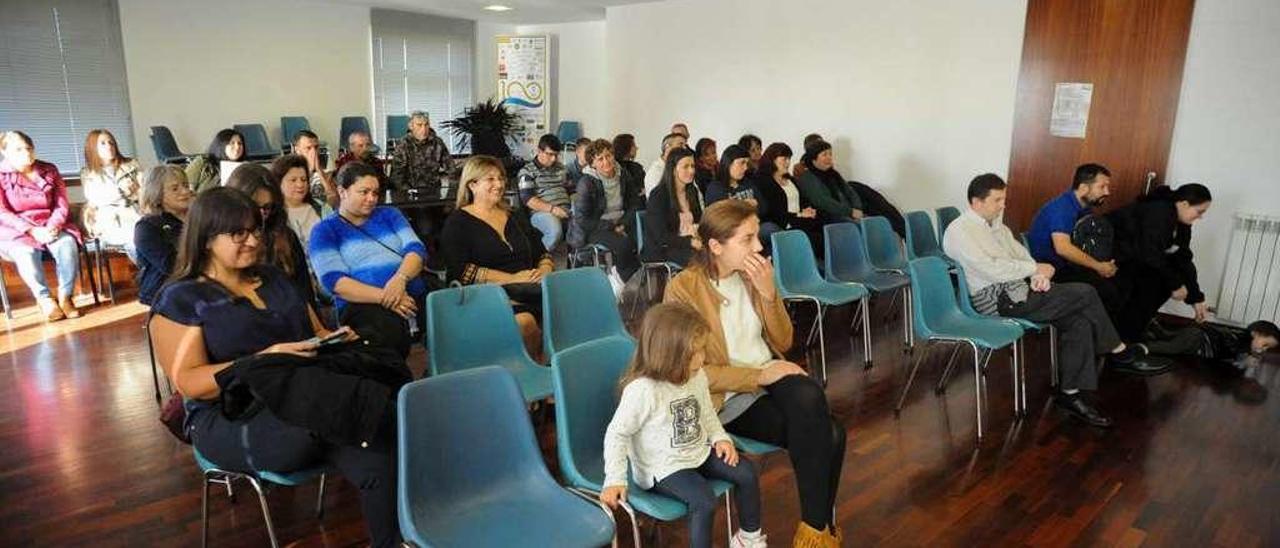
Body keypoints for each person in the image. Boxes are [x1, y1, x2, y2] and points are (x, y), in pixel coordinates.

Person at [148, 187, 402, 547]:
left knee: (378, 449)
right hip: (231, 414)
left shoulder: (274, 279)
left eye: (256, 230)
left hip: (306, 399)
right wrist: (263, 360)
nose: (253, 241)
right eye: (239, 234)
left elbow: (316, 332)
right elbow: (190, 383)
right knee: (366, 412)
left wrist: (334, 338)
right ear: (206, 238)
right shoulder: (180, 299)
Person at [664, 200, 846, 547]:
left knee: (812, 400)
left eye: (757, 237)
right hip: (729, 396)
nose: (759, 247)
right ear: (716, 247)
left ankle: (813, 530)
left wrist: (768, 293)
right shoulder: (683, 290)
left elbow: (784, 341)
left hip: (768, 374)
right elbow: (691, 372)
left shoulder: (752, 278)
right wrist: (758, 377)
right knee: (832, 434)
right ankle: (818, 534)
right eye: (747, 240)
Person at [943, 173, 1169, 428]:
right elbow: (992, 270)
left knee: (1079, 320)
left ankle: (1070, 394)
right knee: (1085, 292)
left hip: (1018, 290)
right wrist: (1034, 270)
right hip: (996, 301)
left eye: (1004, 199)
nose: (1003, 205)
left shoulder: (997, 226)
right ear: (976, 202)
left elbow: (1022, 257)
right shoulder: (960, 231)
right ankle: (1119, 351)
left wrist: (1038, 274)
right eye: (997, 200)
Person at [601, 302, 767, 548]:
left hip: (696, 452)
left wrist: (720, 438)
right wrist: (614, 478)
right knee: (704, 500)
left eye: (702, 349)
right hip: (663, 467)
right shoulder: (643, 391)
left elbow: (707, 413)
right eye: (695, 352)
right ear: (668, 354)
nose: (703, 357)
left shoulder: (696, 375)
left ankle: (748, 540)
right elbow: (617, 434)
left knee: (746, 471)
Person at [309, 162, 427, 359]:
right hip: (363, 303)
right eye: (364, 192)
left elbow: (416, 250)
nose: (372, 199)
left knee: (450, 314)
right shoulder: (324, 230)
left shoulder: (390, 214)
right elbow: (335, 282)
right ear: (342, 192)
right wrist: (387, 297)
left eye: (375, 192)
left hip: (409, 290)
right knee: (388, 331)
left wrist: (400, 279)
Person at [442, 156, 554, 359]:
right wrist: (512, 278)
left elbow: (541, 251)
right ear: (472, 185)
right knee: (526, 323)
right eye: (490, 179)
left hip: (530, 288)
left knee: (571, 313)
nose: (499, 184)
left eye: (501, 178)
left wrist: (544, 272)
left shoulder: (515, 215)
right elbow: (461, 271)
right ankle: (531, 373)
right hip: (485, 295)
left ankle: (549, 370)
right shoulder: (457, 222)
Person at [1106, 183, 1213, 340]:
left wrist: (1196, 298)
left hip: (1137, 256)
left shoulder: (1182, 222)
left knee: (1166, 279)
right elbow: (1150, 253)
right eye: (1199, 212)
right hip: (1113, 256)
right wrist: (1175, 285)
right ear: (1184, 204)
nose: (1200, 217)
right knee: (1154, 282)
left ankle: (1134, 330)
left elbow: (1183, 257)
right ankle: (1125, 339)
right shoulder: (1159, 212)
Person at [0, 131, 82, 320]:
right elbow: (2, 212)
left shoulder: (49, 169)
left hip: (51, 224)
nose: (26, 153)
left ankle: (65, 297)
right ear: (4, 152)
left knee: (66, 245)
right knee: (25, 253)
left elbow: (61, 203)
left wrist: (53, 226)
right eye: (18, 149)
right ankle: (44, 299)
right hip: (17, 229)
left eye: (29, 148)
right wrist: (32, 230)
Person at [224, 164, 315, 309]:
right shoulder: (223, 241)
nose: (260, 214)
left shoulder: (285, 237)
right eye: (253, 206)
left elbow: (304, 295)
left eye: (266, 208)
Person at [568, 139, 642, 280]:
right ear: (593, 164)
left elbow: (634, 203)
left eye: (608, 156)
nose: (606, 161)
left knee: (646, 240)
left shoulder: (623, 174)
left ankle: (628, 278)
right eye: (600, 159)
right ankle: (620, 281)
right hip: (596, 228)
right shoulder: (587, 183)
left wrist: (623, 224)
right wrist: (612, 227)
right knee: (624, 245)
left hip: (621, 222)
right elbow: (583, 220)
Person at [133, 165, 192, 305]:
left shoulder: (199, 216)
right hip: (165, 291)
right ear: (157, 194)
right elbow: (172, 266)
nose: (185, 191)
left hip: (198, 283)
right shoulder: (147, 227)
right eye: (175, 188)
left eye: (185, 185)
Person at [79, 129, 141, 250]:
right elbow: (96, 199)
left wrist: (133, 193)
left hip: (134, 213)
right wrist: (123, 192)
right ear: (93, 148)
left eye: (111, 142)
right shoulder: (87, 173)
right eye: (103, 143)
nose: (109, 146)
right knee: (135, 242)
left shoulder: (131, 165)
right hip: (108, 220)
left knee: (144, 238)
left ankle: (149, 268)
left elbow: (144, 190)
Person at [752, 143, 820, 253]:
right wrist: (799, 214)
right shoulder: (762, 180)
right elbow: (772, 210)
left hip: (800, 220)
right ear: (772, 160)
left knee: (824, 225)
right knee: (813, 238)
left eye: (789, 159)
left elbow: (803, 199)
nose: (788, 163)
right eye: (784, 159)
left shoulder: (790, 179)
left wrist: (808, 208)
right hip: (783, 223)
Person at [642, 148, 703, 266]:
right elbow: (661, 237)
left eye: (693, 166)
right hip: (663, 248)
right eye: (685, 167)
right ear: (673, 170)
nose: (691, 171)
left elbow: (699, 220)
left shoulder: (692, 191)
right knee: (700, 260)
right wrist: (690, 242)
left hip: (688, 243)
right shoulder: (658, 195)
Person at [516, 134, 571, 251]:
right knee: (555, 230)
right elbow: (528, 199)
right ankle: (539, 260)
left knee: (587, 223)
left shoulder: (561, 168)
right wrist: (553, 209)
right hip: (542, 212)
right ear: (539, 151)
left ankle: (577, 262)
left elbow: (571, 190)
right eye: (550, 154)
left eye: (556, 155)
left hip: (566, 209)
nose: (554, 159)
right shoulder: (527, 171)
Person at [271, 154, 333, 248]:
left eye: (303, 180)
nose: (300, 185)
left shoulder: (322, 208)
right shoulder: (272, 214)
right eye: (293, 180)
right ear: (278, 183)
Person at [795, 140, 862, 224]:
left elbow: (850, 192)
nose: (829, 157)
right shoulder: (807, 178)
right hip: (829, 218)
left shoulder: (833, 174)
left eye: (830, 154)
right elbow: (823, 201)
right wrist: (850, 212)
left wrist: (857, 208)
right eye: (824, 154)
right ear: (814, 159)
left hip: (849, 214)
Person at [389, 110, 450, 192]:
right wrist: (408, 191)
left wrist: (453, 191)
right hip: (410, 190)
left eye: (426, 125)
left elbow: (450, 168)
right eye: (419, 125)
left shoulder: (437, 143)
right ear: (411, 126)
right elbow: (396, 176)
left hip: (433, 190)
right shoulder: (403, 145)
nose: (424, 129)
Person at [186, 129, 246, 193]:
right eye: (232, 143)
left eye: (240, 143)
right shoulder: (202, 162)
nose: (237, 147)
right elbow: (187, 187)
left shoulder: (244, 167)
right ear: (221, 145)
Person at [291, 130, 339, 208]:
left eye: (316, 147)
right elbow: (296, 200)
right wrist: (310, 171)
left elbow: (335, 202)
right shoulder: (290, 169)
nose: (314, 152)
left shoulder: (326, 167)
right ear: (297, 150)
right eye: (308, 148)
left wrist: (319, 170)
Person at [644, 132, 689, 197]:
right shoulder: (655, 172)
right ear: (667, 147)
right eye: (681, 144)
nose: (684, 149)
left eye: (685, 146)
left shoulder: (681, 167)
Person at [613, 133, 646, 200]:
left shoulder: (614, 166)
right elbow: (642, 189)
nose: (637, 148)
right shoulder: (636, 168)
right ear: (626, 147)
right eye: (634, 145)